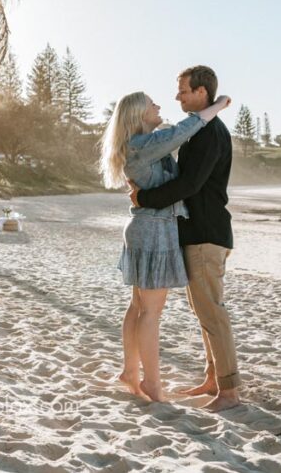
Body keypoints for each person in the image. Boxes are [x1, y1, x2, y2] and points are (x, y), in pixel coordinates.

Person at [99, 90, 231, 402]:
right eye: (151, 104)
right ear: (139, 115)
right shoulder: (143, 144)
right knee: (151, 312)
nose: (159, 105)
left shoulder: (141, 143)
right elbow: (184, 130)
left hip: (145, 227)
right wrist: (217, 106)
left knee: (138, 306)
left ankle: (130, 371)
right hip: (154, 230)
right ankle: (152, 384)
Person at [130, 65, 241, 412]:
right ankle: (213, 379)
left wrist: (143, 199)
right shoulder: (199, 130)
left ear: (201, 92)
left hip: (208, 233)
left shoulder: (210, 133)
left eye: (183, 90)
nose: (177, 96)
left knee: (212, 312)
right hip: (196, 233)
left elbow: (189, 185)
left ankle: (229, 391)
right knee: (203, 310)